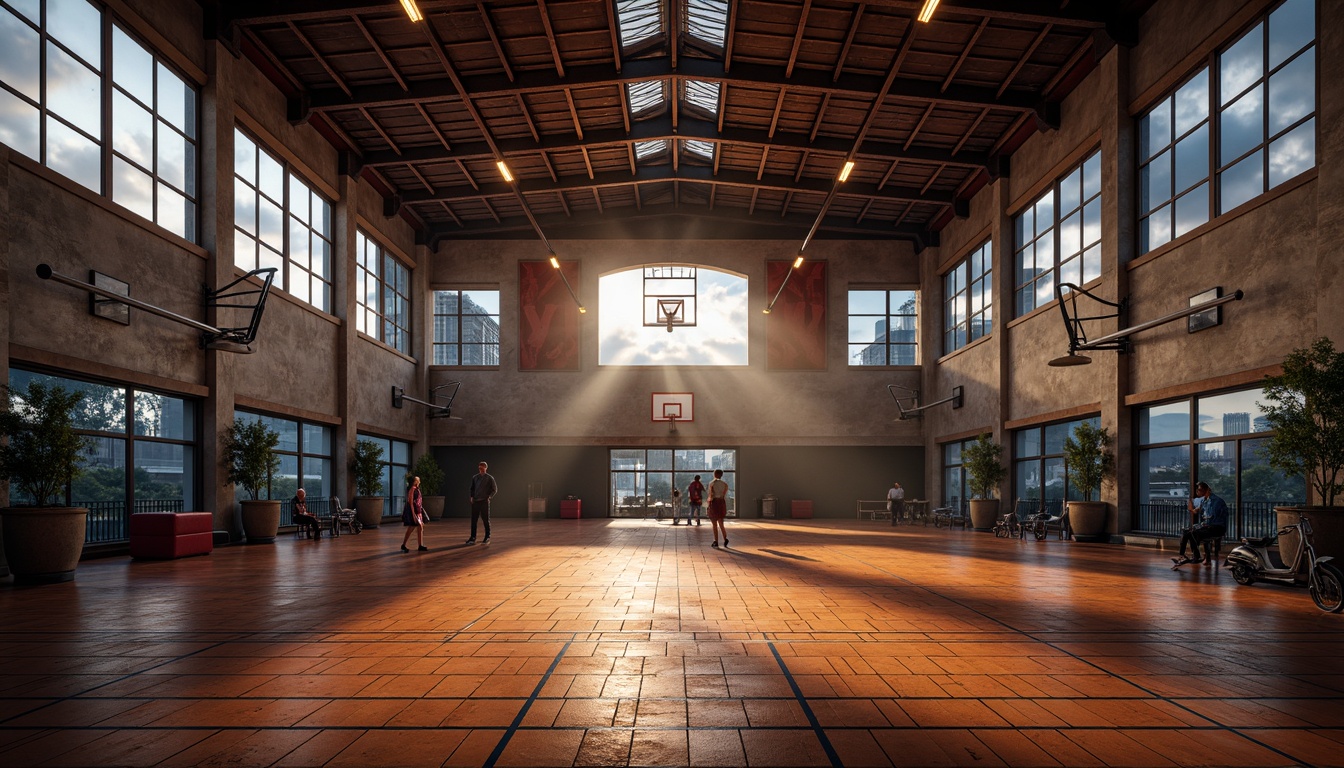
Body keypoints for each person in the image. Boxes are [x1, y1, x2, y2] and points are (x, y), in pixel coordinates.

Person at [1172, 481, 1228, 567]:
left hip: (1217, 527)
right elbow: (1196, 509)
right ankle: (1182, 555)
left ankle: (1197, 556)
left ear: (1206, 490)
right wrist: (1193, 509)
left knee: (1193, 533)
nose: (1197, 492)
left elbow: (1212, 517)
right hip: (1209, 526)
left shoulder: (1216, 501)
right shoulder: (1204, 500)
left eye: (1199, 490)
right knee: (1186, 533)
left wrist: (1202, 524)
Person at [467, 461, 497, 544]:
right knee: (474, 520)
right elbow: (472, 488)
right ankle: (473, 537)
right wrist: (472, 497)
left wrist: (489, 497)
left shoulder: (490, 478)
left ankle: (487, 536)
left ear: (486, 468)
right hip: (476, 501)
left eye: (482, 467)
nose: (481, 469)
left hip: (484, 502)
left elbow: (494, 489)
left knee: (486, 520)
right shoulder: (475, 477)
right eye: (480, 467)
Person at [400, 475, 428, 552]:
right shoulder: (412, 489)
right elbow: (411, 503)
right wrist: (413, 514)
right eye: (417, 480)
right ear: (414, 481)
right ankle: (404, 545)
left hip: (418, 510)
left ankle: (420, 545)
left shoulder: (417, 489)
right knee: (412, 527)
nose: (419, 481)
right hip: (414, 511)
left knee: (420, 527)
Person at [708, 469, 730, 548]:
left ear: (715, 474)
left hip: (714, 503)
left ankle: (716, 541)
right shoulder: (725, 484)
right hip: (721, 503)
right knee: (721, 523)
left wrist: (709, 505)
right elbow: (723, 495)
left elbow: (711, 495)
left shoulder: (712, 483)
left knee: (714, 524)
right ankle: (725, 538)